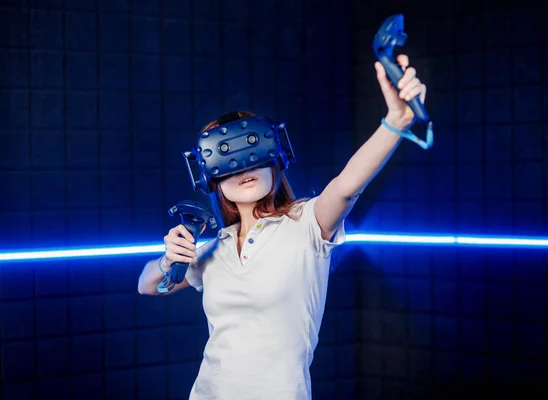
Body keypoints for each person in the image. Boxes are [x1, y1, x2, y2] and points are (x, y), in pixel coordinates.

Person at [138, 54, 427, 399]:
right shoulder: (217, 248)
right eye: (226, 159)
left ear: (276, 155)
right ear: (208, 177)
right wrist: (167, 262)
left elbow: (348, 186)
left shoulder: (307, 224)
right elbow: (148, 286)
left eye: (254, 150)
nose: (244, 167)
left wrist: (396, 121)